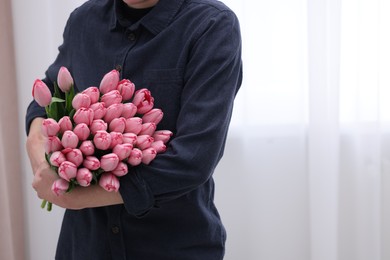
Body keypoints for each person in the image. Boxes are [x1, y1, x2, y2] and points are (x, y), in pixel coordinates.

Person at [26, 0, 242, 259]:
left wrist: (78, 197)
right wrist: (40, 156)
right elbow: (50, 93)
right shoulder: (83, 20)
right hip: (85, 247)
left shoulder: (211, 25)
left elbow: (194, 159)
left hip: (174, 247)